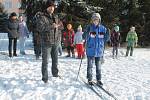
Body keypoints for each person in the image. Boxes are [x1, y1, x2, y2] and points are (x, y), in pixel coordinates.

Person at [36, 1, 62, 83]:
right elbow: (40, 28)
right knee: (45, 61)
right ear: (47, 8)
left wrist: (59, 26)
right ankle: (45, 78)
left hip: (56, 42)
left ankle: (55, 74)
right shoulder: (42, 17)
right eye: (50, 6)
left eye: (53, 7)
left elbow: (61, 26)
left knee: (55, 60)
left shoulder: (56, 16)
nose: (52, 8)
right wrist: (51, 26)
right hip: (46, 43)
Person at [83, 13, 109, 85]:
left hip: (99, 51)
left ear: (99, 20)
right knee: (90, 66)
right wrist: (85, 32)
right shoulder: (89, 28)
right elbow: (84, 37)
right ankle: (90, 79)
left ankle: (99, 79)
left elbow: (106, 39)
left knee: (98, 67)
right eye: (94, 19)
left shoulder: (103, 28)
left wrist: (108, 35)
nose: (95, 21)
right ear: (92, 20)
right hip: (90, 50)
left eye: (97, 19)